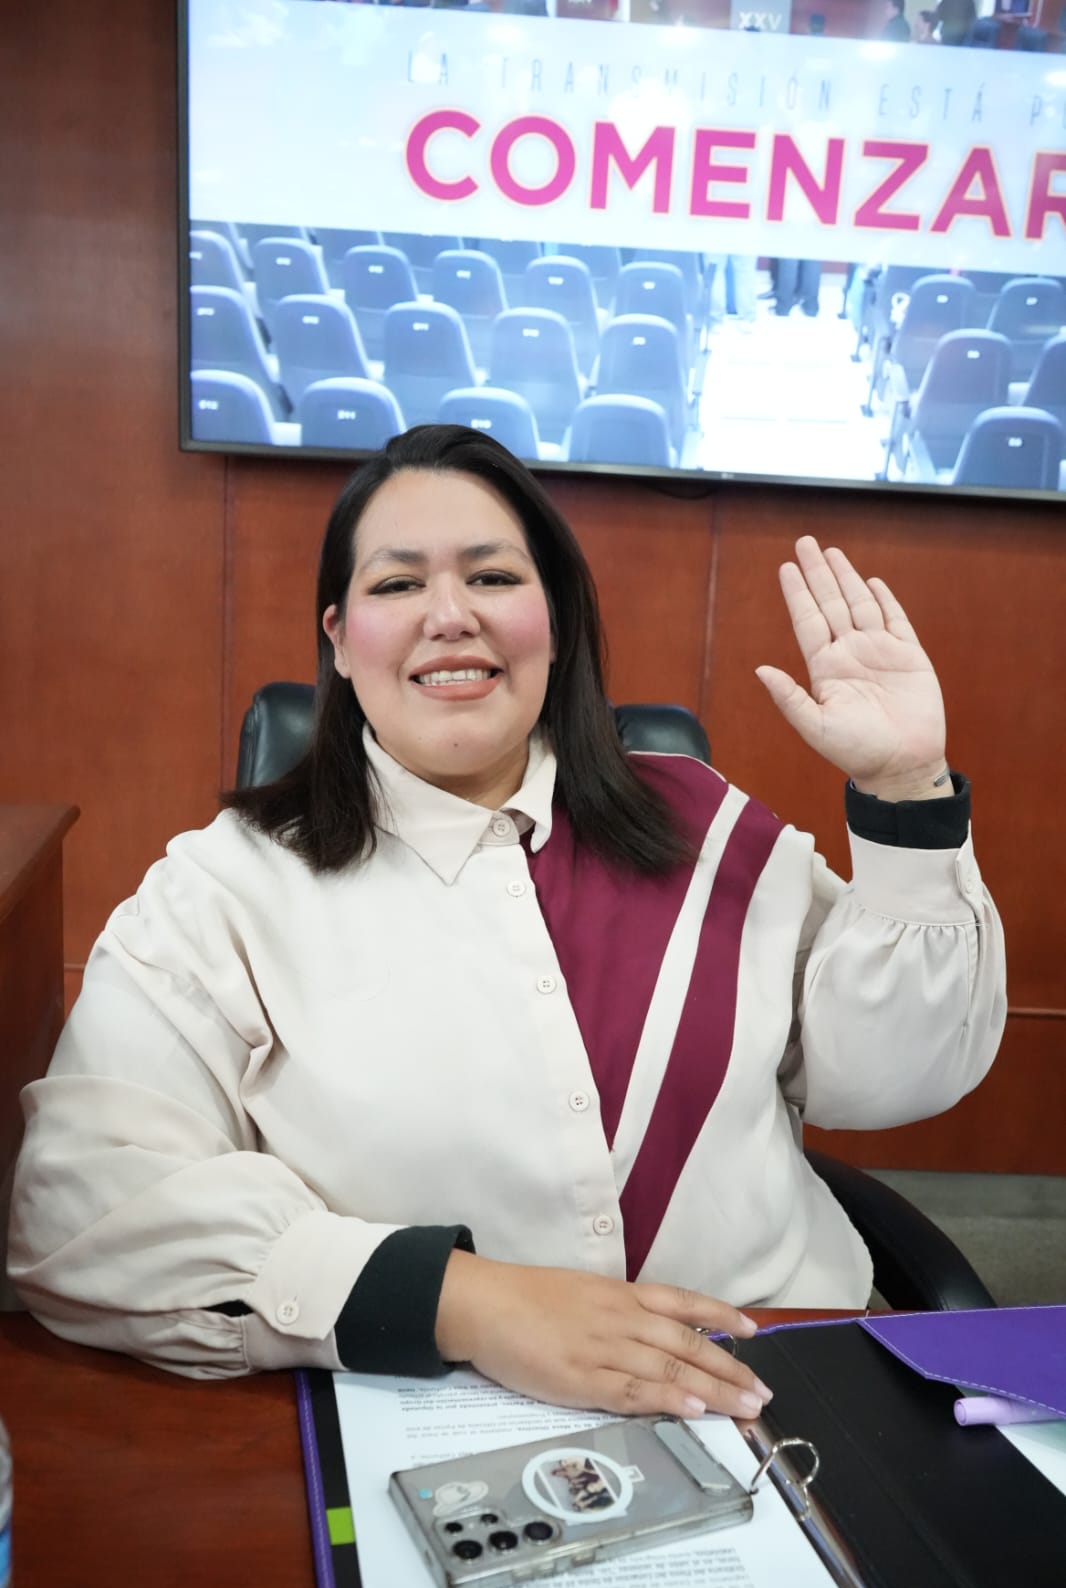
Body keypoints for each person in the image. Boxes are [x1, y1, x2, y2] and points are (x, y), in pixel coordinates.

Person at [8, 425, 1005, 1422]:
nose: (450, 616)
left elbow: (892, 1078)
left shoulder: (701, 823)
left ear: (555, 623)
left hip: (771, 1384)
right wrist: (464, 1302)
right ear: (340, 640)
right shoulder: (227, 886)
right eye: (398, 584)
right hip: (432, 1413)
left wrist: (904, 790)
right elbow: (85, 1199)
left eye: (491, 577)